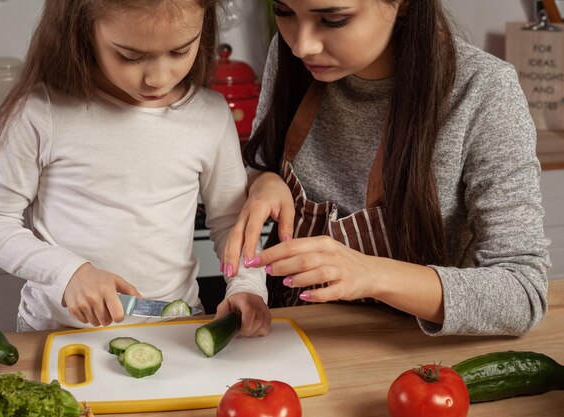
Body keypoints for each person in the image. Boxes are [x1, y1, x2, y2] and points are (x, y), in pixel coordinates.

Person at [222, 0, 551, 336]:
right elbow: (258, 160)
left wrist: (371, 274)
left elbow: (523, 292)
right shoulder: (290, 55)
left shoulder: (483, 89)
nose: (302, 44)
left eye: (333, 19)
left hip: (415, 356)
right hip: (296, 335)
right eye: (285, 11)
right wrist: (263, 179)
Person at [0, 0, 271, 335]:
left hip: (174, 327)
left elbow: (231, 225)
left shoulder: (210, 116)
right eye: (131, 56)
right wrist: (68, 273)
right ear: (83, 32)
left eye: (180, 51)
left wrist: (247, 285)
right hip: (58, 331)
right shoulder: (41, 112)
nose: (159, 78)